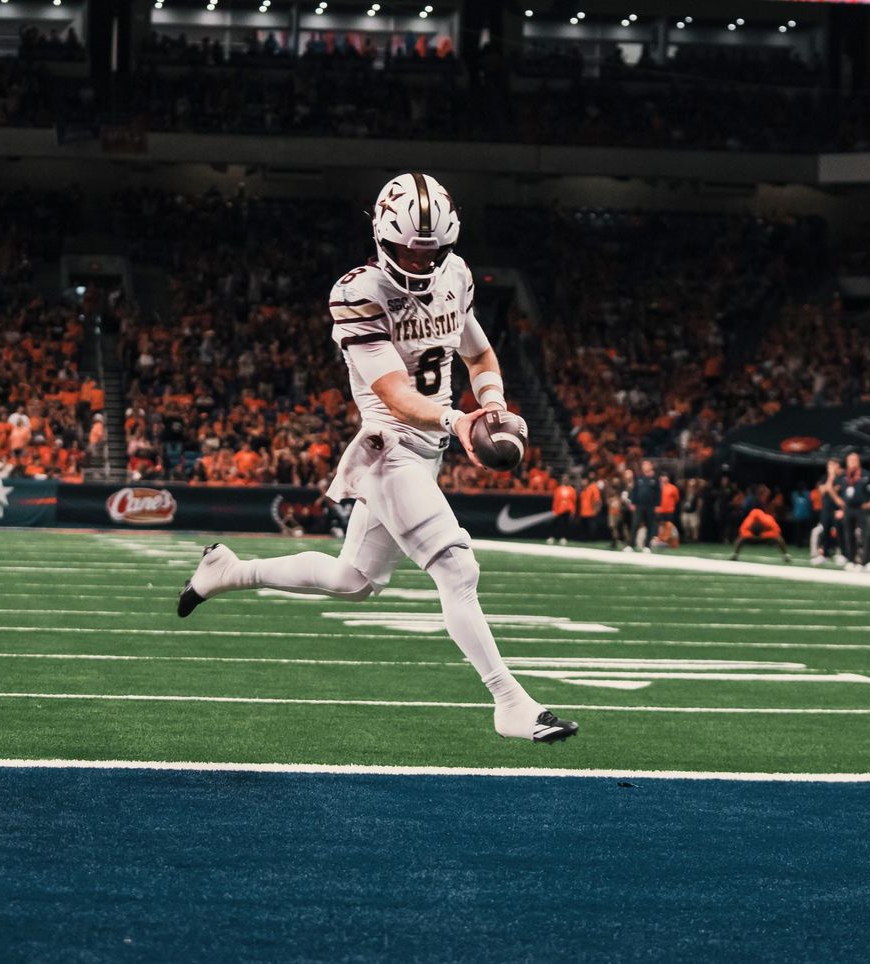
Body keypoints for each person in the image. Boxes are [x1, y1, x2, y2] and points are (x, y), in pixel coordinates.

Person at [175, 172, 577, 744]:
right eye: (408, 249)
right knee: (458, 569)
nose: (418, 263)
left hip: (430, 449)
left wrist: (492, 405)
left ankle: (229, 571)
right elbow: (393, 393)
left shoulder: (456, 274)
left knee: (355, 579)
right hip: (388, 448)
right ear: (381, 237)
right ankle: (510, 702)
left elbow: (480, 353)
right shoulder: (357, 292)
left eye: (429, 251)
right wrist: (458, 420)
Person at [836, 451, 870, 570]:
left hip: (862, 508)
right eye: (849, 461)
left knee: (864, 535)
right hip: (848, 509)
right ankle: (851, 559)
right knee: (849, 535)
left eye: (854, 460)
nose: (852, 463)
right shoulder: (844, 477)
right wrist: (840, 506)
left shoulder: (866, 475)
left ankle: (865, 561)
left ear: (858, 462)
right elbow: (838, 492)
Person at [812, 457, 845, 566]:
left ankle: (841, 554)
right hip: (826, 509)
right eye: (828, 466)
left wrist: (830, 486)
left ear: (837, 466)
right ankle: (824, 555)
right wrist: (830, 478)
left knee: (840, 532)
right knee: (825, 531)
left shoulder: (842, 478)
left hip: (838, 509)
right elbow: (822, 491)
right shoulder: (825, 477)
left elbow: (831, 490)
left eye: (831, 465)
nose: (829, 468)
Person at [625, 460, 661, 552]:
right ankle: (630, 545)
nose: (645, 466)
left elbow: (658, 492)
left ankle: (647, 546)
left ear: (651, 467)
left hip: (650, 505)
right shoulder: (639, 477)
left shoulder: (655, 478)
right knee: (635, 524)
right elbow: (634, 490)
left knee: (649, 525)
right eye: (644, 465)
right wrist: (633, 502)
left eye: (647, 464)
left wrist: (657, 505)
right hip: (639, 505)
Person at [547, 472, 576, 545]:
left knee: (565, 525)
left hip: (567, 510)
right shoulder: (558, 489)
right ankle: (551, 537)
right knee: (554, 524)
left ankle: (563, 538)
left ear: (568, 480)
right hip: (558, 510)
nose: (565, 480)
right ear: (562, 479)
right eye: (564, 478)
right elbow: (555, 500)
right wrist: (554, 510)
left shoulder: (572, 490)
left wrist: (572, 511)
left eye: (566, 478)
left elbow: (573, 501)